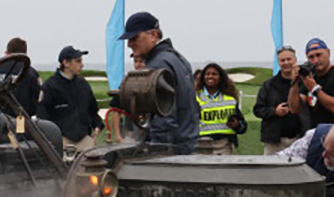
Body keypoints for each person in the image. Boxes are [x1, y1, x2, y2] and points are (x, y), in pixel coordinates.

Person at [119, 12, 199, 154]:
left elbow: (165, 114)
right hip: (187, 142)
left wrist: (157, 149)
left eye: (134, 38)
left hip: (171, 148)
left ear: (153, 35)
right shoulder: (178, 58)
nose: (129, 44)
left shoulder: (158, 64)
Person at [38, 46, 102, 153]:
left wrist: (97, 124)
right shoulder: (50, 86)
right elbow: (43, 116)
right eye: (78, 61)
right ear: (66, 63)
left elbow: (92, 110)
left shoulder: (83, 85)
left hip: (84, 140)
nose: (82, 64)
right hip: (61, 141)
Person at [287, 38, 334, 130]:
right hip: (315, 132)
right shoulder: (310, 78)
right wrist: (294, 83)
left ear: (328, 53)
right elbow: (294, 108)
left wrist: (315, 88)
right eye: (311, 57)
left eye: (319, 55)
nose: (316, 60)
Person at [253, 46, 305, 155]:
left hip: (299, 140)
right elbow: (258, 110)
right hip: (274, 142)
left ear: (295, 60)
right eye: (282, 60)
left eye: (289, 59)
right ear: (278, 62)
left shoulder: (304, 82)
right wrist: (274, 111)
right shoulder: (268, 85)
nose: (286, 63)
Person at [194, 62, 247, 154]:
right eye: (207, 74)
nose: (210, 76)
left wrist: (237, 125)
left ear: (220, 78)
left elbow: (243, 126)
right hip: (201, 145)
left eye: (214, 74)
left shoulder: (230, 99)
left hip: (224, 145)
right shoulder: (194, 98)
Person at [0, 38, 41, 116]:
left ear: (6, 53)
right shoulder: (32, 73)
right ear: (25, 53)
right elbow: (35, 102)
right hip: (22, 121)